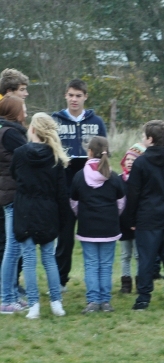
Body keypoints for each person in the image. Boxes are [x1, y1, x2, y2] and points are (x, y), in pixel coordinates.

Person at [10, 113, 69, 319]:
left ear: (33, 129)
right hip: (48, 211)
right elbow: (62, 192)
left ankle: (34, 305)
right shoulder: (55, 157)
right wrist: (63, 220)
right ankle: (56, 302)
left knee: (28, 259)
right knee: (49, 259)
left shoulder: (19, 153)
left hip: (25, 210)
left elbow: (14, 175)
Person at [122, 121, 164, 311]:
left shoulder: (140, 163)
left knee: (146, 259)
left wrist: (130, 218)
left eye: (143, 136)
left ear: (150, 139)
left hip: (147, 219)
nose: (142, 138)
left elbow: (133, 193)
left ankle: (143, 298)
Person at [52, 79, 107, 289]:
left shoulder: (97, 122)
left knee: (94, 237)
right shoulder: (55, 121)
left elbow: (104, 154)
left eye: (78, 95)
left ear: (85, 97)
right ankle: (60, 280)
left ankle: (96, 281)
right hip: (64, 185)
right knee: (65, 237)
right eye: (71, 95)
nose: (74, 99)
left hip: (90, 186)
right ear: (65, 95)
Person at [70, 136, 126, 313]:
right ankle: (105, 301)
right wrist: (113, 215)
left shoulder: (79, 176)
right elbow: (121, 202)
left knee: (91, 264)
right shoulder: (113, 177)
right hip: (109, 227)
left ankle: (93, 301)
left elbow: (74, 202)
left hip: (87, 227)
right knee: (106, 265)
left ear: (89, 152)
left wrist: (81, 215)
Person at [0, 94, 28, 314]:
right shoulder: (10, 134)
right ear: (15, 111)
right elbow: (28, 155)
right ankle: (6, 299)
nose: (26, 111)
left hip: (11, 194)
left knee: (14, 248)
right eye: (23, 107)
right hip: (13, 195)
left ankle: (11, 295)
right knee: (12, 248)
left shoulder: (8, 131)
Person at [118, 143, 144, 294]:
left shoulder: (141, 180)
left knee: (138, 255)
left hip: (137, 224)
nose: (129, 162)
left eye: (133, 160)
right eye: (127, 159)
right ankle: (125, 284)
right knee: (125, 254)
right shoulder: (119, 180)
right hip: (123, 224)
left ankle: (140, 282)